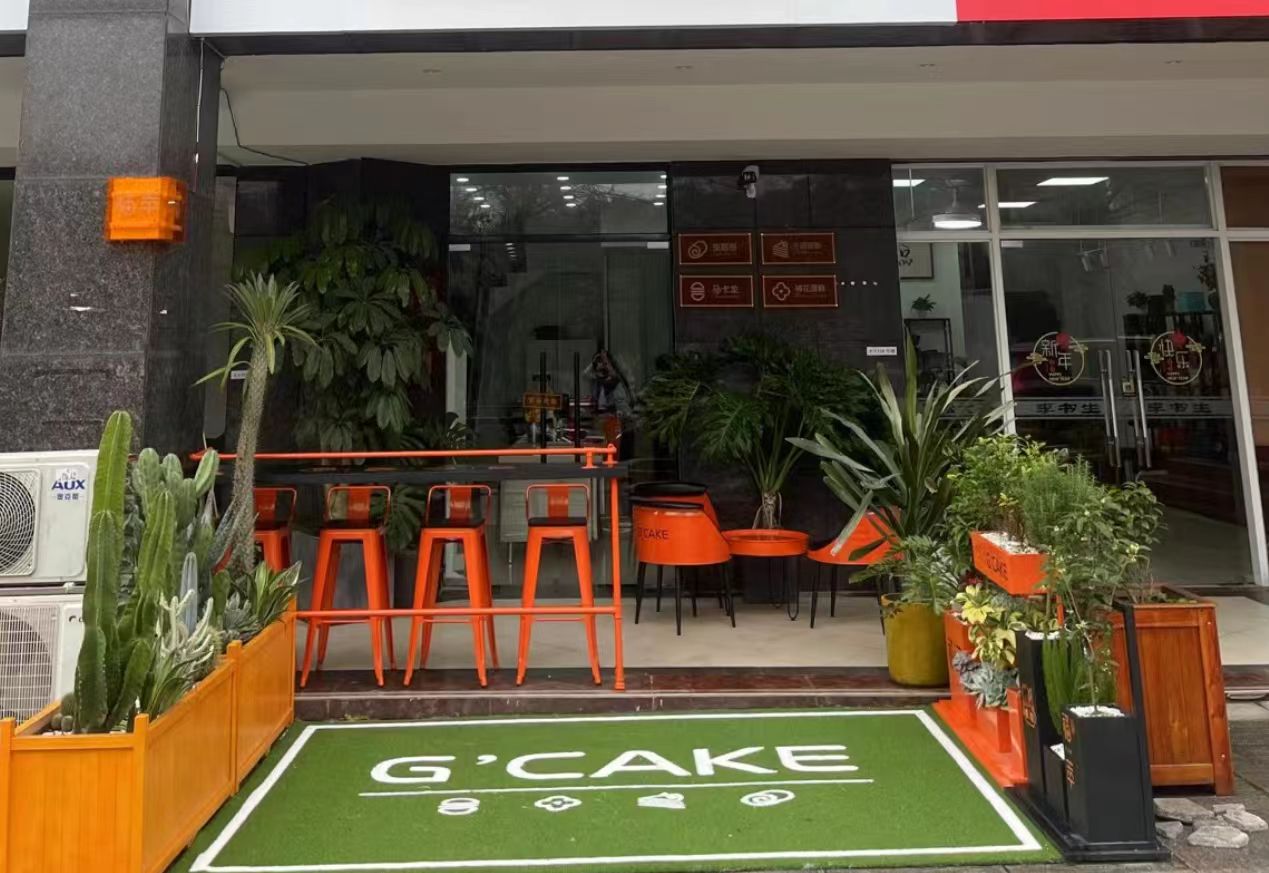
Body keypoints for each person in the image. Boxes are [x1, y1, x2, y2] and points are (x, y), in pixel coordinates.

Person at [587, 348, 635, 460]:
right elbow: (586, 374)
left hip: (616, 415)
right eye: (601, 363)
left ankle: (616, 461)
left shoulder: (617, 381)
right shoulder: (599, 380)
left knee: (616, 443)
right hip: (603, 416)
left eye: (605, 364)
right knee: (605, 443)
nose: (603, 366)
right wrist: (594, 361)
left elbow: (622, 402)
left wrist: (606, 361)